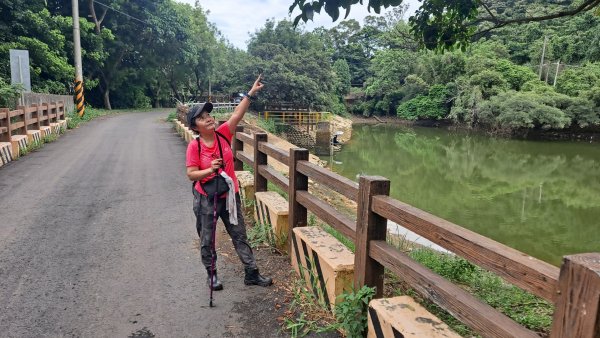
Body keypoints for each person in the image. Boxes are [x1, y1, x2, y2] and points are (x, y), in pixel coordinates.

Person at [186, 75, 272, 290]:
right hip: (206, 198)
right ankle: (212, 274)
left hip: (229, 197)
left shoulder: (223, 134)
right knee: (207, 238)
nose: (208, 119)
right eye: (202, 117)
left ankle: (251, 272)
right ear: (195, 127)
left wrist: (251, 93)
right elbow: (191, 174)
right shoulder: (195, 147)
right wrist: (209, 170)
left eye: (209, 115)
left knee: (239, 235)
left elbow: (237, 114)